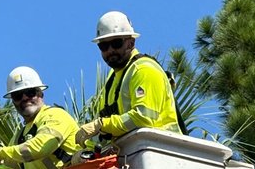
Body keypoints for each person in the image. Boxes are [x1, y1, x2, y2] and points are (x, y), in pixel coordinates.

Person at [74, 11, 182, 149]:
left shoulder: (144, 70)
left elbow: (144, 118)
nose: (110, 50)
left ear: (131, 43)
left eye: (116, 43)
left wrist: (101, 125)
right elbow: (104, 135)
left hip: (164, 151)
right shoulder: (112, 81)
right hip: (133, 155)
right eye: (104, 46)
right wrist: (86, 151)